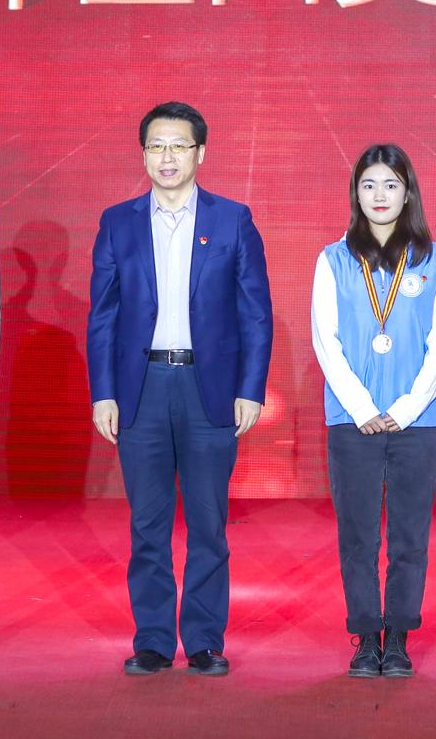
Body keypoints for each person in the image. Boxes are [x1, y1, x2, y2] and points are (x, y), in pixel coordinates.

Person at [87, 102, 273, 677]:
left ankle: (204, 640)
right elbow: (103, 315)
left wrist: (251, 389)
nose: (167, 157)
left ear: (200, 153)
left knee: (208, 523)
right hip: (140, 388)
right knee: (147, 522)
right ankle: (152, 640)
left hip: (208, 387)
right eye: (156, 146)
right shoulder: (117, 222)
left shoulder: (233, 219)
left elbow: (255, 313)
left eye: (179, 145)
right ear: (143, 153)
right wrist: (103, 392)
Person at [309, 144, 436, 679]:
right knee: (358, 535)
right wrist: (363, 407)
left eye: (390, 184)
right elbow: (325, 340)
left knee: (409, 535)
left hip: (419, 421)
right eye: (368, 185)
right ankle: (366, 636)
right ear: (355, 194)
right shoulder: (333, 259)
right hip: (353, 420)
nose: (379, 195)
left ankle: (399, 637)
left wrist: (408, 408)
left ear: (408, 193)